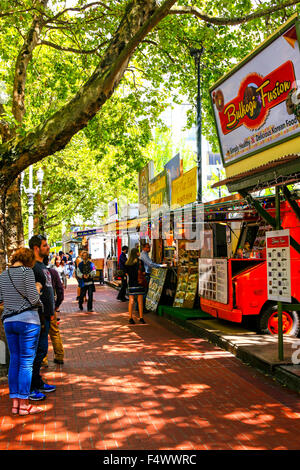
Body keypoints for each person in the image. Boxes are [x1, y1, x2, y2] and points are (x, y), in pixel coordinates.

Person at [0, 248, 44, 415]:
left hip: (9, 322)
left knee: (15, 361)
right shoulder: (27, 272)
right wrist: (38, 287)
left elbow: (0, 299)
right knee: (26, 362)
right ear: (29, 260)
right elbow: (34, 298)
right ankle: (25, 405)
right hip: (28, 321)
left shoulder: (3, 275)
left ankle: (15, 404)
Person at [29, 234, 56, 401]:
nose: (48, 248)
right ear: (36, 248)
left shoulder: (42, 266)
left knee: (42, 350)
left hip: (46, 315)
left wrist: (52, 312)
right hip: (38, 316)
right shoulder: (33, 268)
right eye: (45, 245)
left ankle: (37, 382)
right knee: (37, 351)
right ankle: (31, 386)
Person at [42, 256, 65, 367]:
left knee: (42, 334)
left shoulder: (35, 271)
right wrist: (56, 305)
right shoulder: (53, 272)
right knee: (54, 332)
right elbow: (60, 290)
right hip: (51, 307)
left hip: (40, 308)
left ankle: (43, 359)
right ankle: (59, 355)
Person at [140, 243, 167, 308]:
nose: (149, 249)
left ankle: (140, 307)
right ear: (144, 248)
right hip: (146, 274)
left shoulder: (145, 254)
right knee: (145, 292)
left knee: (144, 292)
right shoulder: (144, 255)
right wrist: (160, 265)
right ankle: (142, 307)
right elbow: (150, 264)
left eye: (149, 247)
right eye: (147, 247)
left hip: (146, 273)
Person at [124, 248, 146, 324]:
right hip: (139, 283)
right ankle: (141, 317)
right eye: (138, 252)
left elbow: (126, 274)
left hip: (131, 283)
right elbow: (143, 272)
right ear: (136, 253)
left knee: (131, 301)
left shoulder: (127, 263)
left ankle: (130, 318)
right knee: (140, 301)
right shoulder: (140, 262)